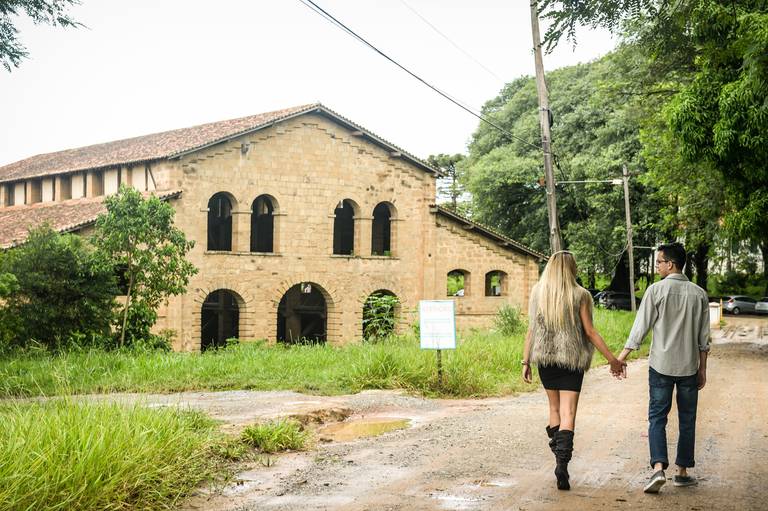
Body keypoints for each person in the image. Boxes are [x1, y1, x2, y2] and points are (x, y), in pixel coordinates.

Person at [522, 250, 626, 490]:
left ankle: (559, 456)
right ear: (571, 269)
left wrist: (525, 361)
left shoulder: (538, 292)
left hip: (545, 360)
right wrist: (613, 360)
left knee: (554, 409)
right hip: (572, 360)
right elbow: (590, 332)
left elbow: (531, 330)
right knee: (569, 413)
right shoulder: (581, 295)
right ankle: (562, 464)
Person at [618, 242, 710, 494]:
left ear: (670, 264)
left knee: (657, 417)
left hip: (660, 367)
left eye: (659, 262)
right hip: (689, 367)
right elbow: (704, 338)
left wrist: (621, 356)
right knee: (687, 418)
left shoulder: (655, 291)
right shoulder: (699, 294)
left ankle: (658, 468)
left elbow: (641, 327)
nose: (657, 266)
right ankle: (682, 472)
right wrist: (703, 369)